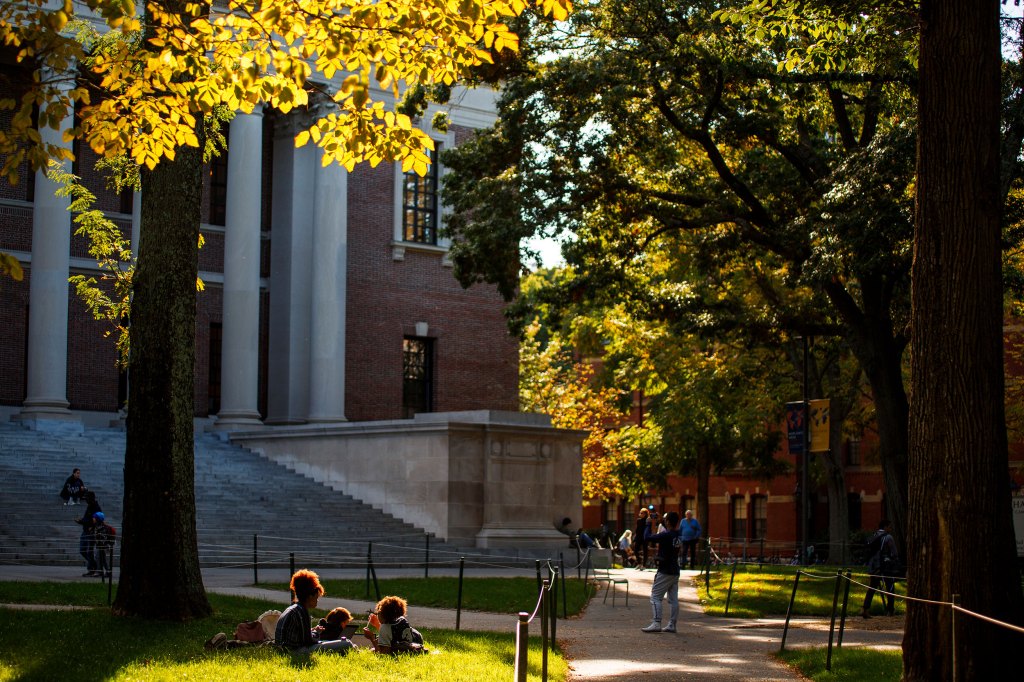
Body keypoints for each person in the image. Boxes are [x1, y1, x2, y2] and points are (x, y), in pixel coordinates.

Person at [274, 569, 353, 654]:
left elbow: (301, 636)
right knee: (346, 643)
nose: (317, 601)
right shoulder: (302, 612)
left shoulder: (293, 608)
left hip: (285, 650)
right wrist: (316, 632)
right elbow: (309, 642)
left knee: (330, 642)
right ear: (310, 596)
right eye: (316, 597)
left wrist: (313, 631)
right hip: (295, 651)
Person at [640, 510, 682, 634]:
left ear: (667, 522)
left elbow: (647, 537)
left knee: (655, 597)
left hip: (665, 570)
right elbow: (667, 531)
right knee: (673, 599)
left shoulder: (666, 535)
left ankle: (656, 623)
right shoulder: (677, 535)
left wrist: (648, 524)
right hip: (675, 569)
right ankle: (672, 624)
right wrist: (659, 521)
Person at [861, 519, 899, 618]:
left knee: (872, 588)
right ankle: (890, 610)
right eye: (889, 526)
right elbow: (894, 553)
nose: (890, 528)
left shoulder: (874, 535)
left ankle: (865, 609)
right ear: (885, 527)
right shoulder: (888, 537)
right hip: (885, 565)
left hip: (874, 565)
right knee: (890, 587)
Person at [75, 491, 102, 577]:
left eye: (87, 498)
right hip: (85, 531)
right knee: (82, 550)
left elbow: (98, 520)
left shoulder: (96, 508)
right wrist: (81, 520)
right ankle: (94, 566)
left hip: (91, 532)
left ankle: (91, 569)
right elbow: (86, 518)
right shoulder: (89, 506)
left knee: (89, 551)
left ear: (91, 498)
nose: (85, 500)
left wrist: (91, 526)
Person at [93, 512, 115, 578]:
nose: (93, 519)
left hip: (102, 546)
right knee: (100, 558)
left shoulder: (103, 527)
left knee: (100, 558)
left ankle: (101, 571)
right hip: (99, 545)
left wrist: (103, 545)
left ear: (97, 519)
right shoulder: (97, 526)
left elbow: (104, 537)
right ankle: (106, 571)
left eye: (94, 517)